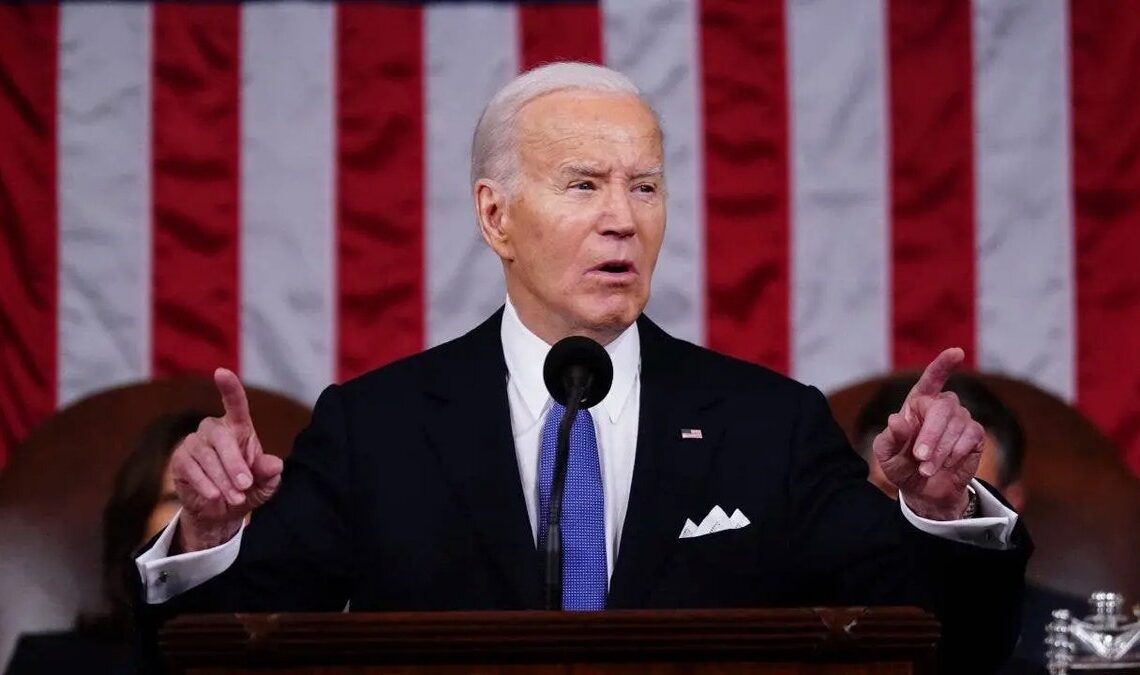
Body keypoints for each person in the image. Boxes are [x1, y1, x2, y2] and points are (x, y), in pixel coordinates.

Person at [133, 62, 1031, 673]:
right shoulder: (377, 428)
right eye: (582, 185)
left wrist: (940, 511)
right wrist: (209, 537)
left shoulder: (770, 423)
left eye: (644, 186)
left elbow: (947, 649)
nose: (622, 219)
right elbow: (216, 655)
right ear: (496, 218)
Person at [854, 374, 1082, 673]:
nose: (919, 516)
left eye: (956, 494)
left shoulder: (1083, 642)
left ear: (1008, 503)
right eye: (894, 489)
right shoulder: (809, 627)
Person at [6, 411, 204, 675]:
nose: (210, 516)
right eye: (180, 498)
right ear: (136, 535)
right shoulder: (47, 665)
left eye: (231, 500)